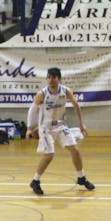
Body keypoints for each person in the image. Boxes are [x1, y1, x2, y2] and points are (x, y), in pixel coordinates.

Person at [25, 67, 94, 196]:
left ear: (59, 79)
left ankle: (81, 177)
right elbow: (32, 110)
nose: (51, 80)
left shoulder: (66, 91)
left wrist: (81, 123)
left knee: (75, 150)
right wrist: (29, 128)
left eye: (54, 77)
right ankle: (35, 181)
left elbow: (76, 106)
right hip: (46, 128)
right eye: (49, 77)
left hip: (61, 125)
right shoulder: (42, 94)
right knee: (49, 155)